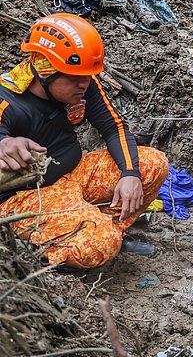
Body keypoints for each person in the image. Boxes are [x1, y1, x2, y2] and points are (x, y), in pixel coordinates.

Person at [0, 14, 169, 269]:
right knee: (99, 242)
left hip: (74, 174)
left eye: (88, 76)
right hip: (24, 197)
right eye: (74, 77)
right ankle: (58, 247)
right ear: (45, 70)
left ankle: (107, 231)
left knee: (152, 164)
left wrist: (130, 173)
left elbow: (114, 128)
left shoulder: (82, 82)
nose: (85, 84)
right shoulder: (7, 101)